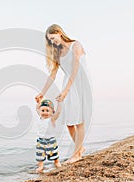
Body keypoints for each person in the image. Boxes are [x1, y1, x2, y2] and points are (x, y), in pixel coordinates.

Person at [35, 24, 92, 164]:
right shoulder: (58, 53)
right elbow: (53, 75)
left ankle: (77, 154)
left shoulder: (75, 46)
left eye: (53, 38)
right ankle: (80, 148)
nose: (52, 42)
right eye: (50, 40)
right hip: (68, 84)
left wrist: (66, 90)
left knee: (79, 120)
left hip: (79, 84)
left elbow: (75, 70)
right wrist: (42, 92)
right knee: (69, 122)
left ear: (59, 33)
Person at [35, 99, 62, 173]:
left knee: (54, 153)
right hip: (40, 140)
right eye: (43, 110)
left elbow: (58, 112)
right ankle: (41, 166)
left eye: (47, 110)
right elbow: (37, 108)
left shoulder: (52, 119)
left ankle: (56, 162)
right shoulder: (41, 118)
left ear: (52, 112)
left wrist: (59, 103)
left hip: (51, 140)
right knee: (39, 154)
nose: (44, 112)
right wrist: (38, 102)